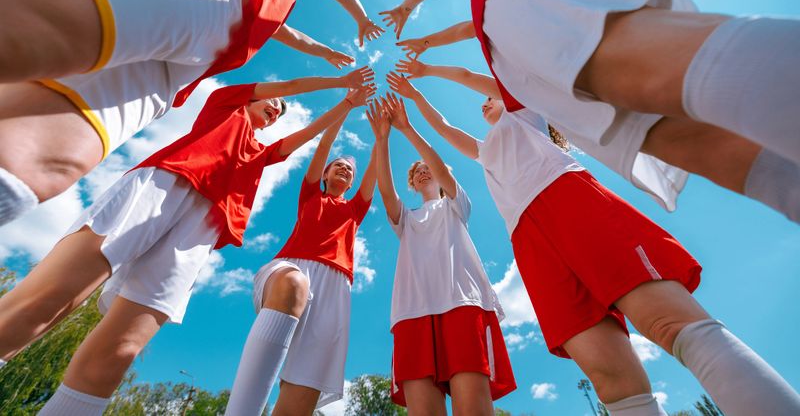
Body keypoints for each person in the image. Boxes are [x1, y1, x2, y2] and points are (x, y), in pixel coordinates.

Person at [386, 68, 800, 416]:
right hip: (527, 236)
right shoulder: (485, 151)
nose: (485, 105)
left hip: (563, 195)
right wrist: (413, 102)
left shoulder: (525, 114)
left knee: (668, 323)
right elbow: (443, 129)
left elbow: (473, 78)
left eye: (493, 98)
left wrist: (426, 71)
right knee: (611, 380)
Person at [380, 0, 799, 222]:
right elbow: (473, 26)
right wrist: (426, 41)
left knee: (672, 83)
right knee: (668, 132)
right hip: (531, 54)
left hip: (538, 20)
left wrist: (405, 8)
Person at [0, 0, 384, 226]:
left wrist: (325, 51)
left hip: (197, 60)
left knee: (45, 160)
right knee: (37, 13)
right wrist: (362, 18)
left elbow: (281, 30)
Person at [0, 74, 375, 415]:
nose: (275, 110)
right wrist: (341, 82)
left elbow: (298, 141)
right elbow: (289, 88)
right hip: (166, 185)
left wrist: (345, 106)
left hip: (203, 227)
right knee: (54, 296)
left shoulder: (258, 156)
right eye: (271, 103)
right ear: (253, 98)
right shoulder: (225, 105)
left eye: (278, 114)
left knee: (122, 348)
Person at [364, 95, 515, 415]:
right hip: (412, 312)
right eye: (416, 171)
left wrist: (406, 129)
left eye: (427, 166)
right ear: (413, 183)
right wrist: (382, 140)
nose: (422, 171)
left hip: (462, 303)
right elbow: (386, 192)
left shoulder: (456, 205)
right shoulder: (406, 219)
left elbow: (435, 165)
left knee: (472, 407)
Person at [225, 109, 378, 415]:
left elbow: (375, 169)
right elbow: (323, 146)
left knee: (303, 388)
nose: (345, 170)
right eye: (338, 166)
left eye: (349, 171)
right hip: (295, 265)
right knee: (293, 283)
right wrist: (346, 106)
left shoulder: (355, 209)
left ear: (351, 185)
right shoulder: (311, 194)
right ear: (324, 174)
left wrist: (381, 135)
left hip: (335, 286)